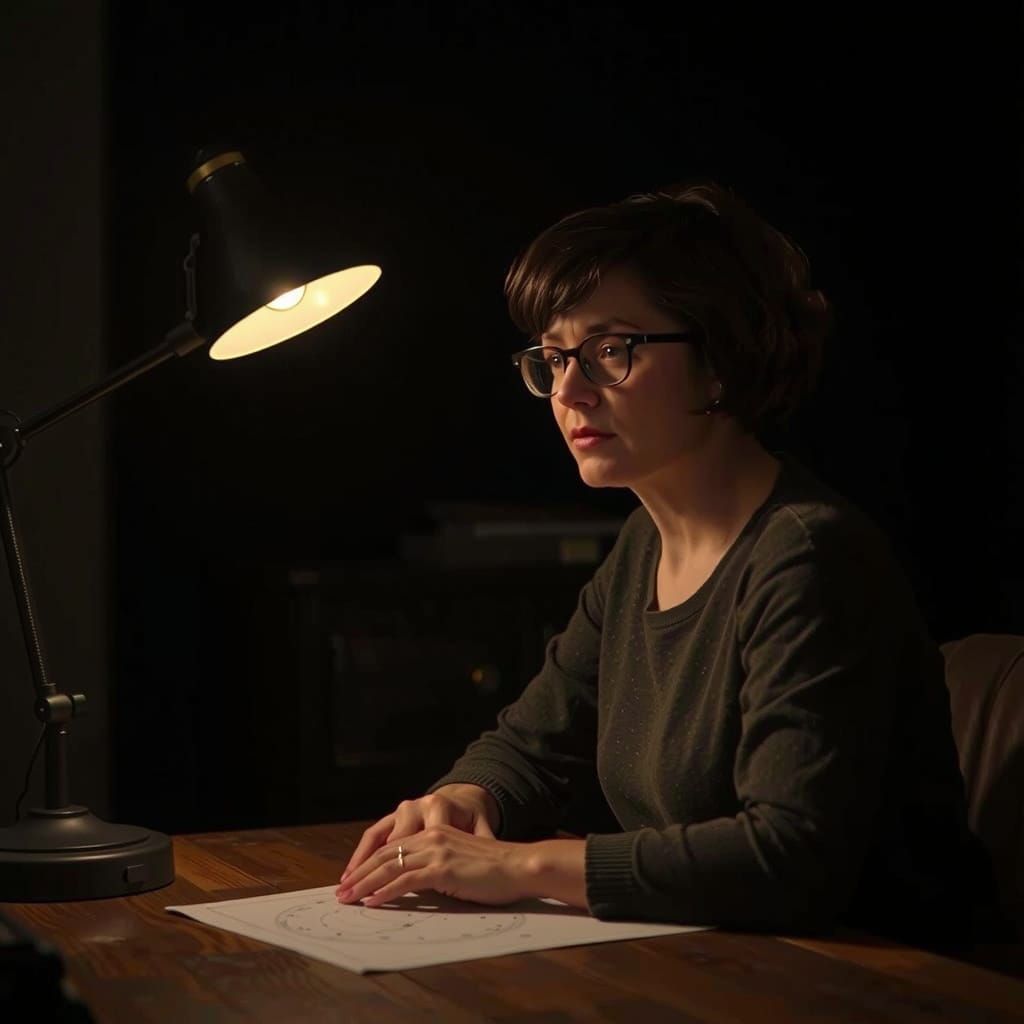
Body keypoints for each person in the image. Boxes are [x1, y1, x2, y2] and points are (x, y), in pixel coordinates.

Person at [335, 181, 1011, 950]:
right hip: (725, 963)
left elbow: (789, 855)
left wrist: (520, 866)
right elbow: (531, 742)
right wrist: (465, 794)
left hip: (887, 981)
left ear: (720, 361)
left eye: (609, 351)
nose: (568, 390)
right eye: (554, 358)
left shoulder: (808, 555)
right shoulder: (643, 548)